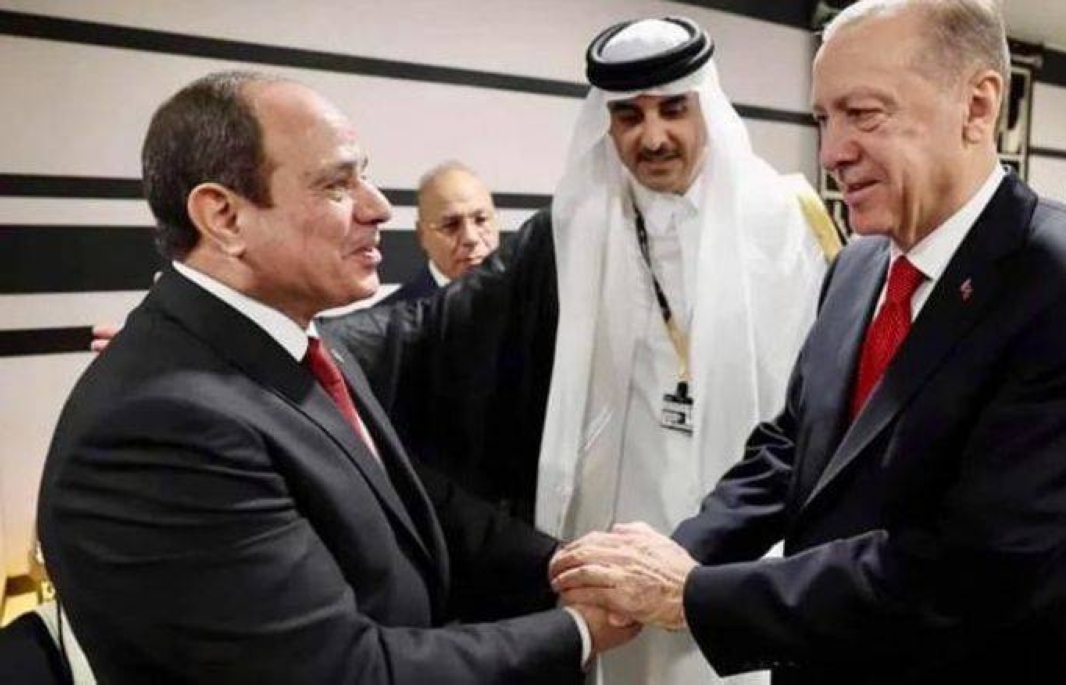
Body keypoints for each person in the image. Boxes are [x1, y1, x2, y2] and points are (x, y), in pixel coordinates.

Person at [549, 2, 1066, 684]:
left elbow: (974, 569)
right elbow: (795, 446)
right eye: (825, 118)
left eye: (864, 115)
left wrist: (691, 594)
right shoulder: (859, 262)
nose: (832, 153)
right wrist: (674, 554)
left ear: (977, 106)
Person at [37, 71, 636, 684]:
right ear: (224, 216)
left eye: (364, 176)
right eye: (337, 185)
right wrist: (578, 630)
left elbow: (406, 503)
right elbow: (346, 673)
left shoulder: (298, 344)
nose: (378, 208)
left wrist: (567, 564)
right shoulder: (162, 427)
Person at [327, 16, 828, 685]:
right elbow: (429, 331)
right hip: (612, 538)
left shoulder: (789, 224)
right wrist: (302, 341)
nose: (653, 136)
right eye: (629, 116)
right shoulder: (569, 234)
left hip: (746, 533)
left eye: (673, 109)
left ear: (705, 105)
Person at [376, 161, 499, 304]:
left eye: (481, 220)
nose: (471, 238)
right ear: (422, 234)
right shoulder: (391, 315)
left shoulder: (521, 302)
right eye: (451, 225)